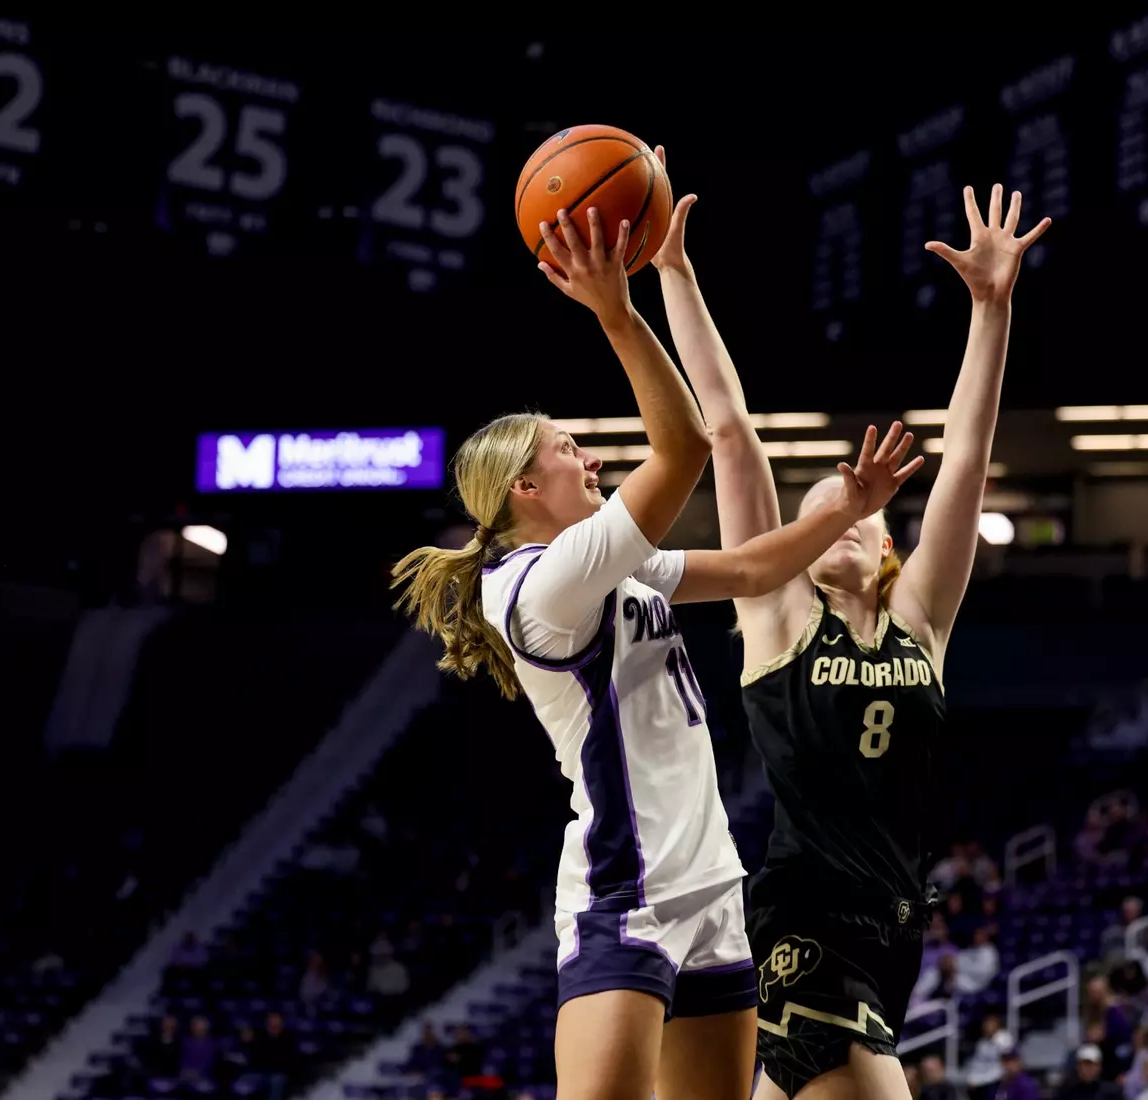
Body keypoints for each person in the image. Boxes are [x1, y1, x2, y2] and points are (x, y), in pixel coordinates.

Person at [392, 199, 922, 1100]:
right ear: (526, 487)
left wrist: (846, 508)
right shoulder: (543, 583)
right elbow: (682, 450)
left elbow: (754, 569)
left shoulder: (617, 570)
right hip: (623, 898)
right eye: (569, 450)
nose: (590, 458)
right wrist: (616, 313)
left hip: (712, 887)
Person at [653, 156, 1047, 1100]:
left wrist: (990, 311)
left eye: (859, 509)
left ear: (888, 546)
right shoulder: (778, 614)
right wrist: (676, 273)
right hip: (804, 923)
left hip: (897, 927)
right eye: (821, 508)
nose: (841, 514)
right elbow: (731, 432)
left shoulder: (922, 622)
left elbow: (967, 461)